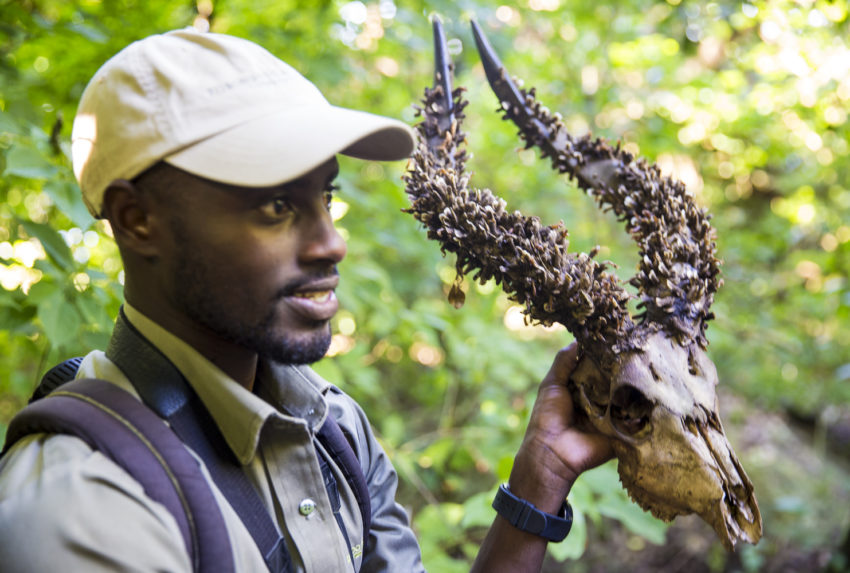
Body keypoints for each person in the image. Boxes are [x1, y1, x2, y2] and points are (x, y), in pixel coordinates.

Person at [0, 28, 612, 572]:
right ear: (138, 220)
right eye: (276, 206)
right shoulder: (81, 512)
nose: (332, 242)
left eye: (326, 198)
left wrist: (539, 479)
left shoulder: (333, 429)